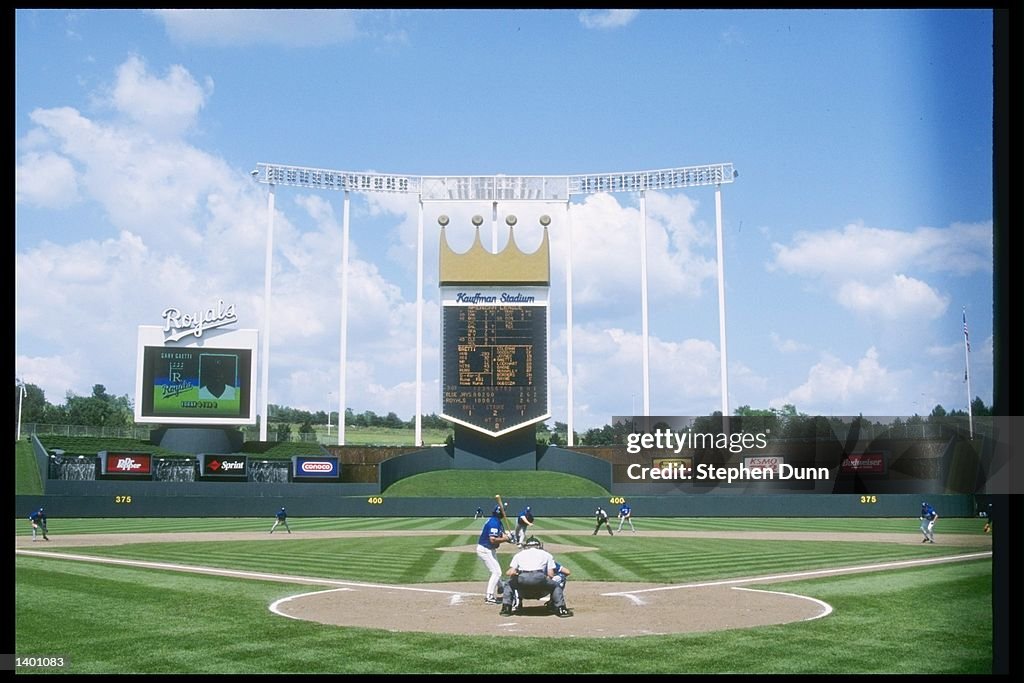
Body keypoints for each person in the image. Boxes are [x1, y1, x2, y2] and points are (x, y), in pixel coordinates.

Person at [499, 536, 572, 618]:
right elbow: (551, 574)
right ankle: (561, 609)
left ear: (526, 546)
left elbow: (510, 572)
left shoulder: (519, 555)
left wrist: (517, 574)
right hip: (539, 577)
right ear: (538, 545)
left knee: (508, 583)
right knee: (556, 585)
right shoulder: (546, 554)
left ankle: (506, 608)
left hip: (523, 579)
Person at [476, 504, 515, 604]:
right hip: (485, 549)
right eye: (504, 511)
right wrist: (506, 539)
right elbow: (493, 539)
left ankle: (500, 586)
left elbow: (501, 535)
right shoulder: (494, 523)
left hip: (490, 549)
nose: (505, 513)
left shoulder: (496, 521)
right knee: (497, 572)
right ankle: (489, 596)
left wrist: (509, 538)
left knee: (495, 570)